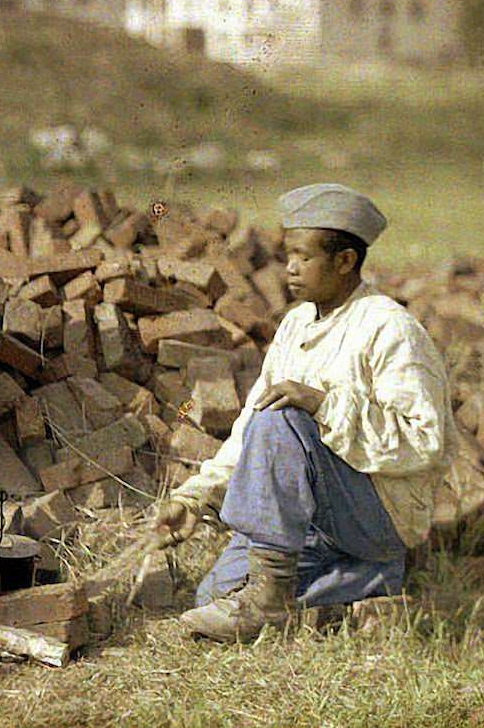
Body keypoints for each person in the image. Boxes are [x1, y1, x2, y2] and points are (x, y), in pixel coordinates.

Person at [154, 183, 457, 643]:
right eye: (287, 255)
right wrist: (195, 497)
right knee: (213, 595)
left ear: (344, 261)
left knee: (284, 417)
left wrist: (322, 403)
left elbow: (424, 441)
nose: (290, 269)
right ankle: (367, 585)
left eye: (303, 257)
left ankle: (272, 603)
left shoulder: (390, 328)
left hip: (375, 513)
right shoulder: (296, 323)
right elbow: (248, 432)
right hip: (312, 518)